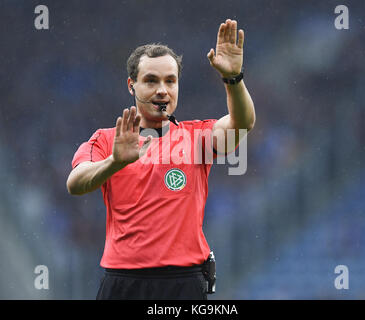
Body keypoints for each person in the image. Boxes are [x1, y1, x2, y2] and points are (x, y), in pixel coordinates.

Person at [66, 19, 255, 300]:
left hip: (183, 283)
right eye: (151, 80)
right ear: (132, 85)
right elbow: (75, 183)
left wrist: (233, 79)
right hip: (123, 282)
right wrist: (115, 163)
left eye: (170, 80)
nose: (162, 90)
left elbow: (242, 124)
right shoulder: (107, 140)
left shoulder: (197, 137)